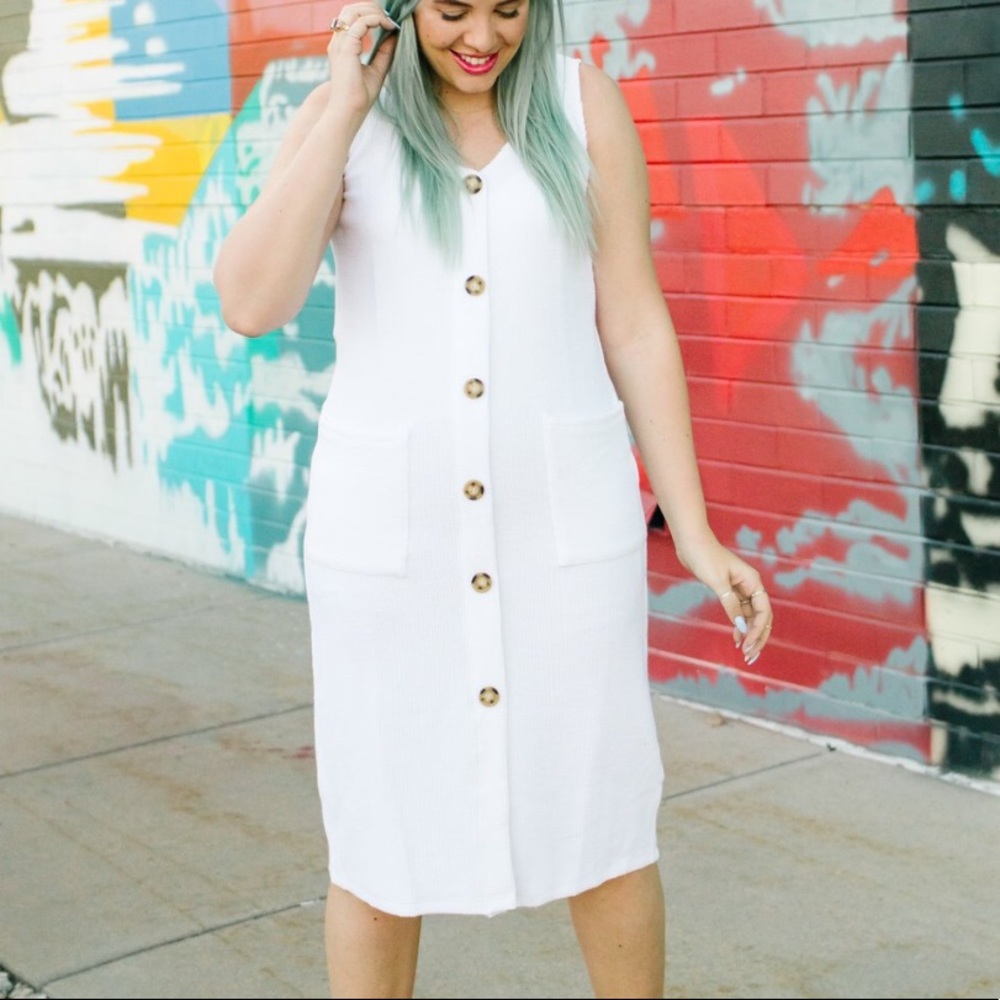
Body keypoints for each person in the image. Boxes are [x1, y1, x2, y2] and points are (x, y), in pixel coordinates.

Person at [213, 2, 774, 996]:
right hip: (392, 553)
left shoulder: (580, 103)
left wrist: (691, 529)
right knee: (380, 842)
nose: (482, 37)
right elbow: (253, 301)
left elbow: (634, 320)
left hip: (561, 546)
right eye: (451, 10)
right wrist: (345, 104)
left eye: (508, 9)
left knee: (602, 825)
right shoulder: (348, 114)